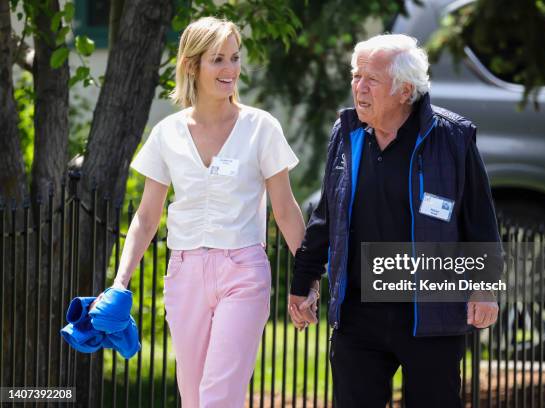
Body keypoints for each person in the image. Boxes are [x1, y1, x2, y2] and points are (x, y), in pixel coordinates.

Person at [91, 17, 309, 408]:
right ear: (192, 65)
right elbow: (145, 218)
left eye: (234, 58)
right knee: (193, 398)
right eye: (217, 60)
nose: (230, 69)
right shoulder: (167, 133)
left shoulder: (261, 127)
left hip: (243, 271)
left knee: (217, 397)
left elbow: (286, 210)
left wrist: (309, 277)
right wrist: (120, 281)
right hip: (184, 273)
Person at [288, 34, 503, 407]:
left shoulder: (452, 138)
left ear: (405, 90)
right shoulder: (347, 132)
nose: (359, 87)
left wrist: (484, 286)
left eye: (371, 79)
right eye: (356, 76)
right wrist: (303, 279)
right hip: (358, 313)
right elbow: (327, 215)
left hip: (430, 315)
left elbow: (480, 220)